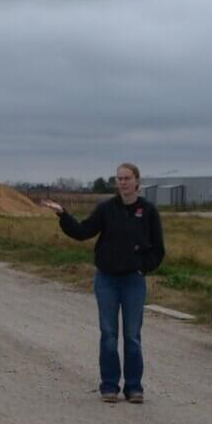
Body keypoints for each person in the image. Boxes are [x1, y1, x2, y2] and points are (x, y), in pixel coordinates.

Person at [44, 162, 166, 404]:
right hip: (107, 280)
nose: (122, 182)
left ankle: (133, 387)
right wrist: (63, 214)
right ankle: (109, 385)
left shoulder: (148, 211)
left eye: (127, 178)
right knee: (109, 334)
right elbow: (82, 232)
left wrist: (144, 268)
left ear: (137, 182)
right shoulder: (106, 209)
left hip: (133, 281)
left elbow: (158, 249)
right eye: (119, 178)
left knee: (132, 335)